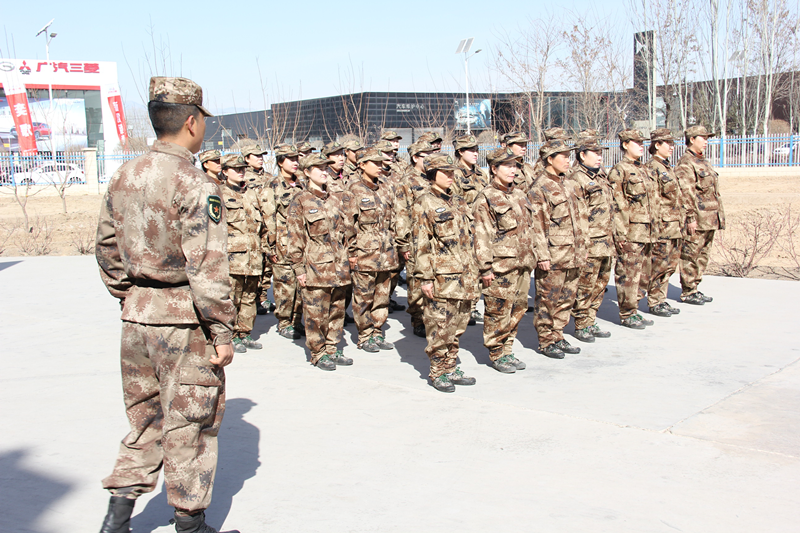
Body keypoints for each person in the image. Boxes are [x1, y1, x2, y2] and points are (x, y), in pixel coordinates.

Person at [95, 76, 238, 533]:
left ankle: (116, 520)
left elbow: (105, 248)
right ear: (191, 121)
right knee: (190, 423)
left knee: (145, 418)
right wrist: (222, 332)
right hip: (184, 323)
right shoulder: (196, 183)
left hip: (137, 318)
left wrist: (131, 293)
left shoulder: (124, 175)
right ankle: (190, 524)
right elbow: (209, 270)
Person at [413, 153, 479, 392]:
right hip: (442, 278)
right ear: (433, 175)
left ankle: (451, 366)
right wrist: (426, 278)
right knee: (440, 326)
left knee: (458, 326)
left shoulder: (459, 202)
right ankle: (438, 371)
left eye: (452, 172)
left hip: (465, 277)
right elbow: (421, 243)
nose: (451, 176)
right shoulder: (424, 202)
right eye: (446, 172)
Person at [473, 147, 540, 373]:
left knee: (518, 308)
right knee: (497, 311)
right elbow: (481, 235)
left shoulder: (519, 195)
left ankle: (507, 349)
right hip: (500, 267)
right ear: (494, 169)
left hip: (521, 264)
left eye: (515, 166)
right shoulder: (486, 198)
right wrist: (485, 268)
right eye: (507, 166)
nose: (513, 170)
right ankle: (496, 352)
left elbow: (530, 228)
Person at [287, 153, 354, 371]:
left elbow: (346, 232)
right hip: (315, 268)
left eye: (326, 168)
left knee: (337, 311)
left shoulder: (335, 198)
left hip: (339, 266)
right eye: (319, 168)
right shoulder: (300, 201)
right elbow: (295, 237)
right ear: (306, 172)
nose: (325, 171)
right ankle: (318, 352)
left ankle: (333, 348)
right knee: (316, 314)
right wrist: (299, 269)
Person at [529, 140, 587, 359]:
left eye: (568, 155)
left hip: (573, 254)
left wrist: (583, 248)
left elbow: (580, 220)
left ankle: (558, 334)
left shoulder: (570, 184)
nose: (567, 159)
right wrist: (542, 256)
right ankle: (545, 340)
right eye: (561, 156)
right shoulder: (540, 187)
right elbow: (537, 226)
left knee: (566, 298)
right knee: (548, 299)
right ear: (549, 159)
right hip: (554, 255)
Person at [342, 148, 399, 352]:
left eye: (380, 162)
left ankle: (377, 331)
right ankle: (365, 335)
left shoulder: (386, 188)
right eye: (374, 162)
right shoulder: (353, 190)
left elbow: (394, 220)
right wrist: (352, 254)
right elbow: (348, 225)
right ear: (362, 165)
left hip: (386, 253)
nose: (379, 166)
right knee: (363, 297)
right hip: (365, 254)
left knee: (382, 297)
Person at [607, 129, 659, 329]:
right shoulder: (619, 171)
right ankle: (627, 313)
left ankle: (635, 308)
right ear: (625, 144)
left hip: (648, 232)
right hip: (631, 233)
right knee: (628, 273)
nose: (641, 146)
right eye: (637, 142)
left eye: (642, 142)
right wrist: (620, 233)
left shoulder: (644, 170)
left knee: (643, 274)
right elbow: (617, 204)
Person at [568, 134, 614, 343]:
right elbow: (576, 214)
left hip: (606, 239)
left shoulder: (601, 176)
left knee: (600, 283)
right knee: (585, 285)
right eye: (594, 153)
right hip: (590, 242)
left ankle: (591, 319)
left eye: (600, 153)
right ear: (582, 154)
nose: (599, 157)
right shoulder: (575, 178)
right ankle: (581, 324)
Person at [220, 154, 266, 353]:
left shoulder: (251, 194)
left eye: (242, 168)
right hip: (233, 257)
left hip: (254, 256)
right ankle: (229, 336)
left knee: (249, 297)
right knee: (232, 298)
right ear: (224, 171)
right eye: (235, 169)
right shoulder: (219, 195)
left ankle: (244, 333)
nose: (240, 172)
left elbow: (262, 225)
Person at [675, 125, 725, 305]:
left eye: (707, 138)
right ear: (692, 139)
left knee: (703, 255)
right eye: (702, 138)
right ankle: (688, 290)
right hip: (697, 218)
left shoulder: (703, 161)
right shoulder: (686, 163)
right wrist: (690, 218)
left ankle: (695, 286)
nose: (706, 141)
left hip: (710, 218)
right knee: (690, 254)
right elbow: (685, 193)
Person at [262, 143, 306, 339]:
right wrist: (270, 246)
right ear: (280, 162)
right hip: (283, 243)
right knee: (285, 286)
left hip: (302, 243)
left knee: (301, 285)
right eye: (291, 159)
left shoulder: (303, 183)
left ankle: (297, 320)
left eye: (297, 159)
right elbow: (268, 217)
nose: (295, 163)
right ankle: (285, 322)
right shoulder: (272, 186)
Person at [642, 128, 683, 316]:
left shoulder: (667, 167)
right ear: (657, 145)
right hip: (663, 226)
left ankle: (661, 298)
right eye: (669, 143)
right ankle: (655, 301)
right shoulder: (652, 168)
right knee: (659, 264)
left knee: (670, 265)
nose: (672, 147)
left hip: (674, 224)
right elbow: (653, 200)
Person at [396, 140, 435, 337]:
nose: (430, 156)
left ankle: (432, 317)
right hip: (414, 238)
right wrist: (403, 244)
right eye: (426, 154)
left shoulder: (434, 177)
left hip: (434, 239)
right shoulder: (408, 181)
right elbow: (401, 213)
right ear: (415, 158)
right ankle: (418, 319)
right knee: (416, 280)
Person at [452, 133, 490, 326]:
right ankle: (466, 308)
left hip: (483, 229)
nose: (476, 153)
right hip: (465, 230)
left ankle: (473, 306)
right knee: (466, 271)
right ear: (460, 151)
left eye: (477, 149)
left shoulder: (481, 174)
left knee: (480, 269)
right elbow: (454, 203)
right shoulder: (454, 174)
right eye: (471, 150)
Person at [240, 142, 274, 316]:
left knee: (267, 264)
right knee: (255, 263)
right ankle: (254, 298)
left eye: (262, 156)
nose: (260, 159)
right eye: (256, 156)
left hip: (269, 224)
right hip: (253, 224)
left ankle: (262, 297)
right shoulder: (242, 178)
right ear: (247, 159)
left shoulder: (269, 177)